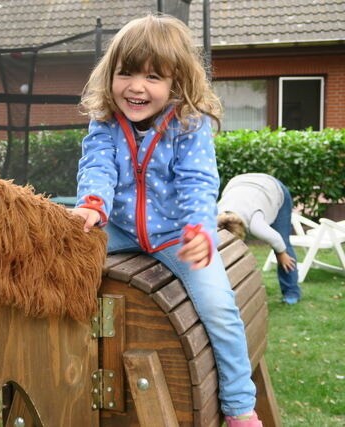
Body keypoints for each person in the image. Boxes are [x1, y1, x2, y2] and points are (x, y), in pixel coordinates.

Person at [69, 13, 262, 426]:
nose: (136, 86)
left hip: (179, 234)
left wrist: (197, 228)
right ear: (110, 75)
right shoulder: (104, 120)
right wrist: (91, 205)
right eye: (126, 73)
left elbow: (197, 182)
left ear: (177, 84)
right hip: (118, 227)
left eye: (153, 77)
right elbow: (97, 166)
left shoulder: (189, 126)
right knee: (59, 264)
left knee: (219, 309)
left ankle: (240, 408)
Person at [217, 173, 301, 304]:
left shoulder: (255, 224)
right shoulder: (214, 217)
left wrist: (281, 253)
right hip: (239, 183)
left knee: (283, 245)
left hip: (273, 189)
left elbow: (276, 239)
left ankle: (291, 292)